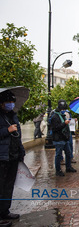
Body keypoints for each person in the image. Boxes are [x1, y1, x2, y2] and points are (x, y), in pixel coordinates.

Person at [0, 90, 25, 226]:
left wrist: (21, 152)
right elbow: (8, 132)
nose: (10, 104)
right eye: (8, 102)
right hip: (2, 156)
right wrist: (6, 131)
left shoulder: (12, 116)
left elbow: (17, 135)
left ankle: (5, 211)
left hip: (13, 155)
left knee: (9, 186)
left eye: (12, 102)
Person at [51, 99, 77, 176]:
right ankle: (58, 170)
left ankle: (68, 167)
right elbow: (55, 128)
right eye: (62, 109)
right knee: (58, 155)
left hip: (65, 138)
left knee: (68, 153)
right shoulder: (55, 116)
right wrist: (64, 124)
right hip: (59, 139)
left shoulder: (62, 115)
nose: (64, 110)